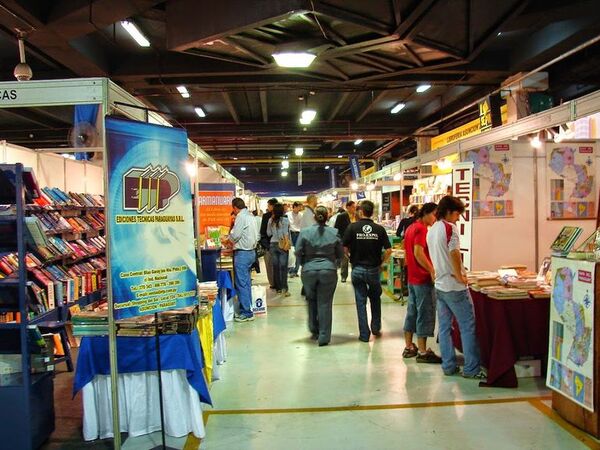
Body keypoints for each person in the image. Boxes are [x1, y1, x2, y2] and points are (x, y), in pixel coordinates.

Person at [427, 196, 485, 379]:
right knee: (467, 326)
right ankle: (471, 368)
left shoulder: (432, 230)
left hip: (440, 285)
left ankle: (449, 366)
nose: (458, 218)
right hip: (454, 286)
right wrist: (460, 275)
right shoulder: (449, 228)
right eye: (458, 214)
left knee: (444, 328)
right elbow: (454, 253)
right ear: (450, 212)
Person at [343, 200, 392, 342]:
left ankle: (364, 334)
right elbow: (389, 250)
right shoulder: (379, 229)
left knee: (360, 301)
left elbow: (344, 247)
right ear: (372, 213)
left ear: (360, 212)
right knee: (375, 298)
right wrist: (382, 262)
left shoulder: (352, 228)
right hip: (373, 270)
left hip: (357, 269)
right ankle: (376, 327)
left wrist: (350, 257)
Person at [296, 206, 344, 346]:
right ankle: (323, 336)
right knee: (325, 303)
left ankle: (314, 329)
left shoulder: (305, 232)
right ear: (327, 217)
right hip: (328, 270)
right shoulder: (334, 232)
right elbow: (340, 254)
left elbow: (298, 251)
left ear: (314, 217)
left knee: (311, 300)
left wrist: (303, 263)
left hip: (309, 271)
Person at [402, 203, 441, 363]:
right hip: (422, 278)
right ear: (425, 213)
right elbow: (418, 253)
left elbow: (408, 253)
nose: (435, 218)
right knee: (425, 312)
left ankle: (409, 346)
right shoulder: (421, 229)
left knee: (412, 311)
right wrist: (431, 270)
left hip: (413, 277)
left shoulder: (411, 227)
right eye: (434, 214)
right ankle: (423, 351)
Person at [224, 198, 258, 322]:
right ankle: (248, 307)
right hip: (251, 252)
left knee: (241, 283)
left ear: (234, 208)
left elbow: (236, 235)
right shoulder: (251, 216)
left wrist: (227, 241)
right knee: (246, 282)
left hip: (243, 253)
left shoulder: (240, 217)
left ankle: (246, 312)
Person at [267, 203, 292, 296]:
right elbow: (285, 233)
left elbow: (268, 233)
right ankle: (285, 289)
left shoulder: (270, 220)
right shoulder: (285, 220)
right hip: (282, 245)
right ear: (282, 211)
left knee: (276, 267)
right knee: (283, 268)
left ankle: (278, 288)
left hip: (273, 245)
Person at [334, 201, 356, 282]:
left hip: (355, 241)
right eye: (353, 207)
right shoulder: (341, 216)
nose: (354, 209)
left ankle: (354, 275)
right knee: (344, 259)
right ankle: (344, 276)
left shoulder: (357, 216)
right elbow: (336, 228)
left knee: (355, 259)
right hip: (344, 240)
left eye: (355, 207)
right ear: (348, 207)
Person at [260, 198, 278, 289]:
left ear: (272, 206)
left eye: (268, 205)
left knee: (270, 265)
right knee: (278, 265)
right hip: (278, 245)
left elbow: (263, 231)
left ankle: (273, 283)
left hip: (269, 244)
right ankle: (278, 283)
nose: (268, 207)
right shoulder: (283, 216)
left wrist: (265, 245)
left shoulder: (266, 216)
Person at [287, 201, 303, 277]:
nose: (300, 208)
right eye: (299, 207)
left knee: (298, 252)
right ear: (295, 207)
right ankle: (290, 269)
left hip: (299, 234)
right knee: (290, 252)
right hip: (290, 233)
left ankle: (295, 270)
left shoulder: (301, 215)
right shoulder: (288, 215)